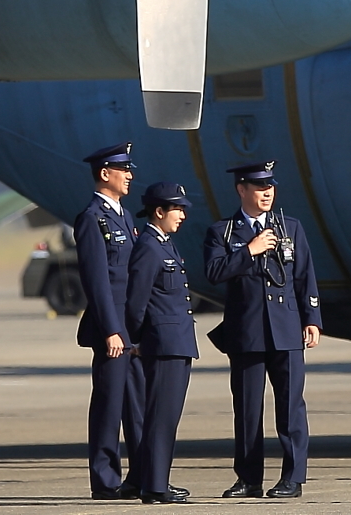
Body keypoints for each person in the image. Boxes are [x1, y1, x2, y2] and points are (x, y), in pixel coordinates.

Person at [204, 160, 322, 499]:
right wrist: (249, 251)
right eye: (259, 187)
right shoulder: (223, 232)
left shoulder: (290, 228)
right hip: (247, 332)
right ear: (242, 190)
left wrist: (312, 319)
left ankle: (293, 477)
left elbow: (304, 276)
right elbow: (214, 271)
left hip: (286, 329)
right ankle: (249, 478)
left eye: (270, 186)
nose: (267, 192)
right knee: (247, 408)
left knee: (290, 407)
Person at [75, 142, 144, 500]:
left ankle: (142, 475)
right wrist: (112, 330)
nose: (130, 175)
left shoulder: (124, 216)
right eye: (124, 170)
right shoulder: (91, 218)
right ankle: (105, 481)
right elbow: (98, 282)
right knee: (108, 405)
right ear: (105, 174)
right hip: (112, 331)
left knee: (136, 405)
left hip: (131, 328)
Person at [125, 182, 198, 505]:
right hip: (163, 343)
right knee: (160, 416)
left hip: (177, 341)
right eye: (177, 209)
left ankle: (157, 481)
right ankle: (154, 486)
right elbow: (136, 302)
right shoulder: (149, 248)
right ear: (159, 211)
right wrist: (137, 339)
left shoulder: (164, 245)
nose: (182, 215)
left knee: (167, 417)